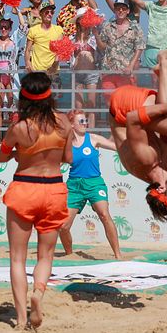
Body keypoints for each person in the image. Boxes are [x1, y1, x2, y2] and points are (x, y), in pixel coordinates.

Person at [0, 72, 73, 329]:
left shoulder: (19, 128)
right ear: (49, 96)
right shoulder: (64, 124)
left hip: (25, 189)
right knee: (46, 255)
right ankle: (38, 295)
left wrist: (21, 152)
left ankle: (20, 319)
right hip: (53, 189)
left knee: (17, 258)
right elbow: (68, 158)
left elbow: (1, 158)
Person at [108, 46, 167, 221]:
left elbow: (132, 119)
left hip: (122, 108)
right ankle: (166, 75)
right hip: (142, 111)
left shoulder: (145, 160)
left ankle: (166, 63)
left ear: (160, 189)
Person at [59, 110, 122, 259]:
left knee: (104, 215)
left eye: (85, 120)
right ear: (72, 125)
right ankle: (70, 255)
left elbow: (116, 147)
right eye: (81, 121)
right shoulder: (66, 145)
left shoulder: (93, 139)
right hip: (74, 185)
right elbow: (55, 162)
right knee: (63, 226)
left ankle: (118, 255)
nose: (85, 123)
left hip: (94, 183)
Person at [0, 9, 28, 143]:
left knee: (12, 109)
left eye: (6, 27)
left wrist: (18, 10)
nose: (3, 29)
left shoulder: (14, 39)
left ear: (10, 28)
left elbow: (23, 25)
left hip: (11, 76)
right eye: (1, 27)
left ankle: (11, 137)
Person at [95, 0, 145, 99]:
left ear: (128, 11)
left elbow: (139, 48)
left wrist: (131, 66)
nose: (120, 11)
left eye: (123, 8)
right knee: (110, 104)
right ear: (114, 10)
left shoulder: (135, 27)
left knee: (126, 103)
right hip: (109, 72)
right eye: (118, 8)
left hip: (126, 73)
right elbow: (102, 47)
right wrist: (96, 34)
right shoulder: (107, 26)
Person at [71, 16, 100, 128]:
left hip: (91, 73)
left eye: (84, 20)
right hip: (76, 73)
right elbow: (67, 55)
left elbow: (101, 49)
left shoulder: (93, 37)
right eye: (80, 21)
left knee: (91, 106)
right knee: (79, 107)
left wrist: (96, 34)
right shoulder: (72, 38)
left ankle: (91, 133)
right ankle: (82, 131)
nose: (82, 23)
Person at [24, 5, 64, 79]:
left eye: (51, 12)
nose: (49, 14)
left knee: (54, 91)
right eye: (47, 12)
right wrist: (28, 64)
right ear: (41, 14)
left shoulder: (59, 29)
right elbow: (27, 50)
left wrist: (54, 66)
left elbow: (60, 51)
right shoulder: (33, 30)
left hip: (54, 72)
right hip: (37, 71)